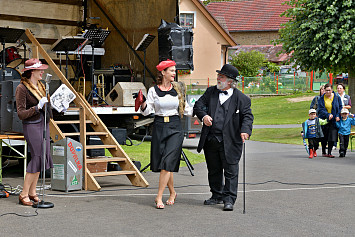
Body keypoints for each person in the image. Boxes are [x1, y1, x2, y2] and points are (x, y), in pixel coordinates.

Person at [193, 64, 253, 211]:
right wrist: (204, 116)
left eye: (222, 76)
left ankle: (229, 199)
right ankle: (216, 195)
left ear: (230, 81)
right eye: (219, 75)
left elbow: (247, 117)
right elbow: (198, 106)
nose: (218, 78)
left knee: (231, 171)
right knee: (214, 170)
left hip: (231, 141)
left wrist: (245, 130)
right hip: (211, 139)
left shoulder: (242, 99)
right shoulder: (210, 92)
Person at [135, 59, 192, 209]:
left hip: (175, 127)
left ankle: (158, 197)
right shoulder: (154, 90)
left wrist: (203, 115)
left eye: (174, 70)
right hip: (159, 126)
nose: (174, 73)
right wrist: (142, 104)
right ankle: (172, 192)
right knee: (166, 164)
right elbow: (147, 111)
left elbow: (187, 109)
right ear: (163, 72)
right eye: (172, 71)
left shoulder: (179, 89)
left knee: (167, 163)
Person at [15, 58, 53, 206]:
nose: (42, 71)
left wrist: (56, 106)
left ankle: (32, 192)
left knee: (42, 157)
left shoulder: (42, 86)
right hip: (31, 125)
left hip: (43, 124)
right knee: (37, 156)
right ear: (32, 71)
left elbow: (47, 107)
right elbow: (21, 113)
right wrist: (37, 108)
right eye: (39, 69)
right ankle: (23, 194)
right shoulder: (22, 88)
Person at [318, 83, 342, 158]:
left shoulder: (337, 97)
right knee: (324, 136)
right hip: (325, 119)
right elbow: (321, 109)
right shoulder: (321, 99)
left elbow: (340, 107)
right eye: (326, 90)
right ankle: (324, 151)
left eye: (329, 90)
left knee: (332, 136)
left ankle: (329, 152)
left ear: (332, 90)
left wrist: (338, 115)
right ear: (324, 90)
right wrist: (327, 115)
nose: (328, 92)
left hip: (334, 120)